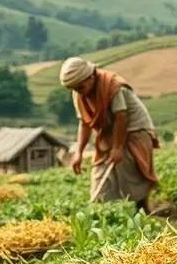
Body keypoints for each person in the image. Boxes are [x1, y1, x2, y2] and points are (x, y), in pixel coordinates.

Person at [59, 56, 158, 211]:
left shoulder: (113, 87)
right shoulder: (79, 94)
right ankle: (101, 209)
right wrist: (79, 151)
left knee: (127, 165)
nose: (79, 92)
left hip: (134, 128)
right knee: (100, 169)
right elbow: (84, 123)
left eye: (80, 87)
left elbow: (121, 117)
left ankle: (141, 209)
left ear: (90, 77)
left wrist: (118, 147)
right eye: (75, 89)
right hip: (109, 131)